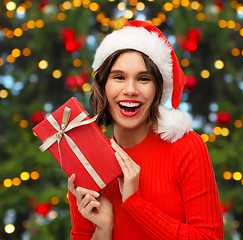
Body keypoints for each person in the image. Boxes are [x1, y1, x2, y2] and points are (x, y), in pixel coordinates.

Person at [68, 20, 224, 240]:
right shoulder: (86, 162)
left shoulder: (186, 147)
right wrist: (103, 228)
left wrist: (136, 204)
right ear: (103, 85)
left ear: (157, 90)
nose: (130, 90)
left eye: (143, 79)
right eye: (119, 77)